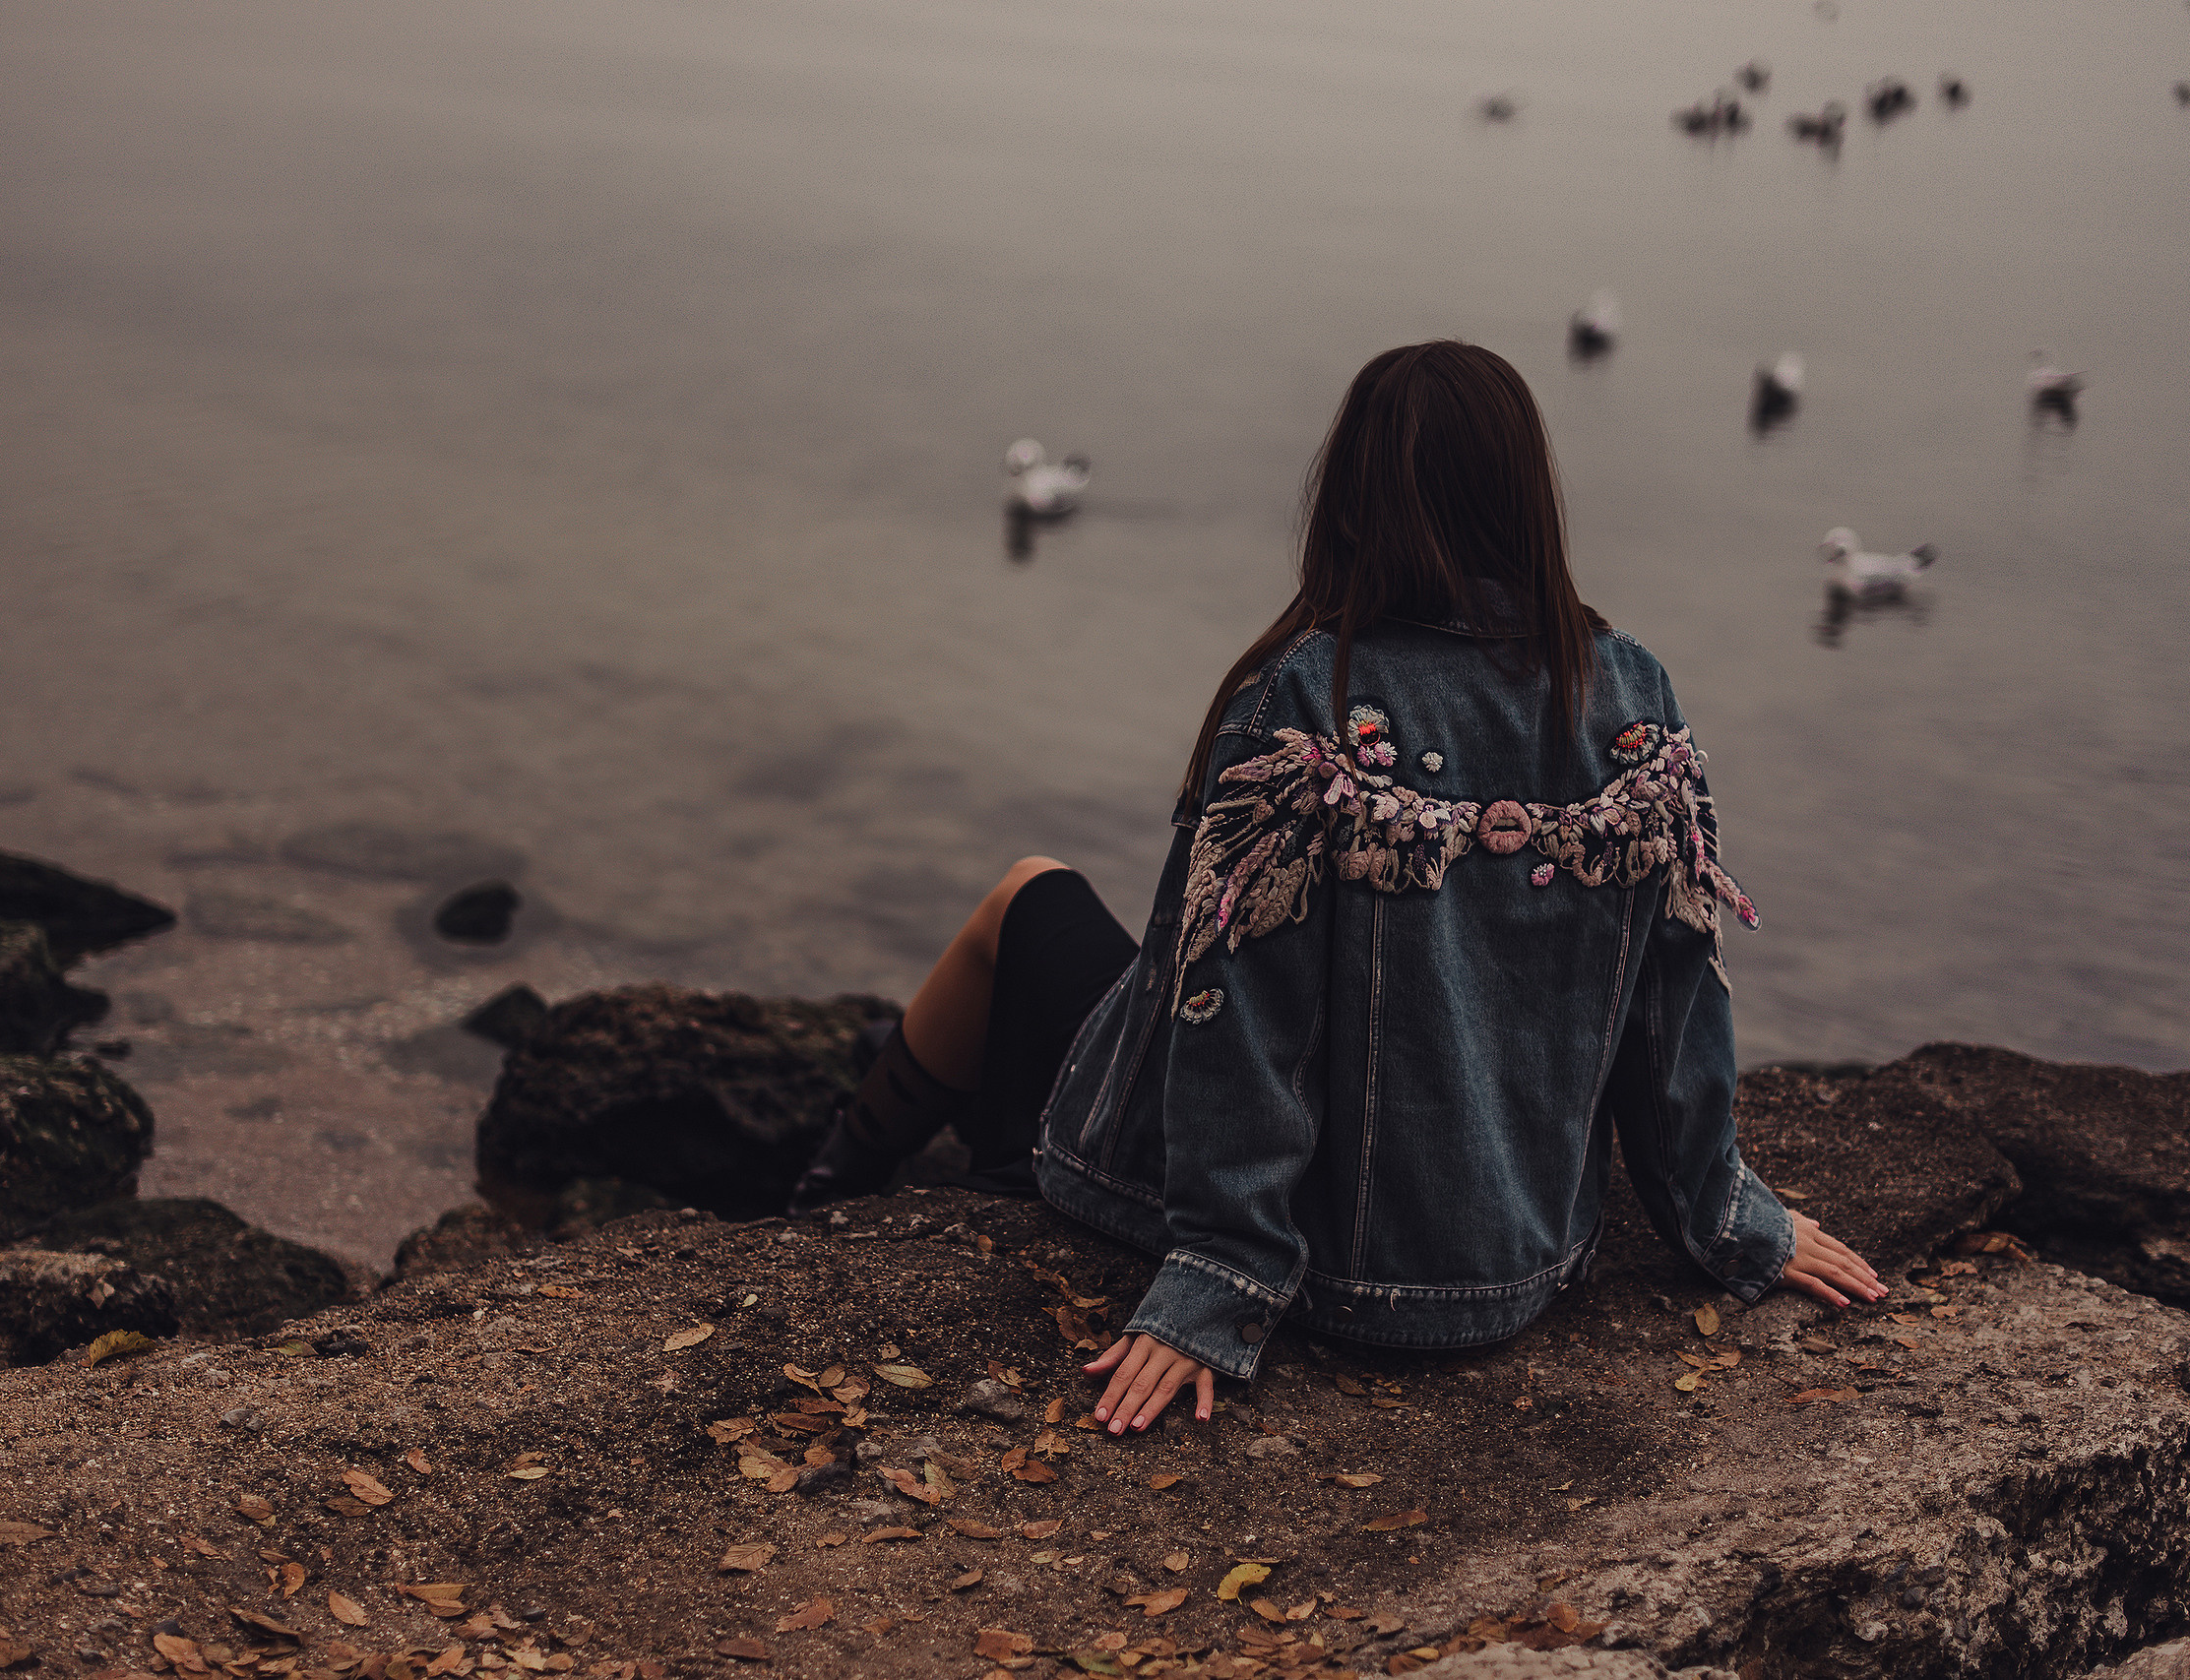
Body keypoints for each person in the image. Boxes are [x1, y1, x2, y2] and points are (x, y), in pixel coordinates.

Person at [788, 341, 1881, 1435]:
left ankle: (823, 1194)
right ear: (1524, 493)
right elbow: (1673, 999)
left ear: (1354, 499)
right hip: (1519, 1256)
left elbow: (1237, 1015)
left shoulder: (1308, 691)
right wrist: (1728, 1216)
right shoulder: (1631, 688)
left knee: (1026, 895)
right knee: (1046, 924)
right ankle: (840, 1180)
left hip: (1335, 1266)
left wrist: (1220, 1278)